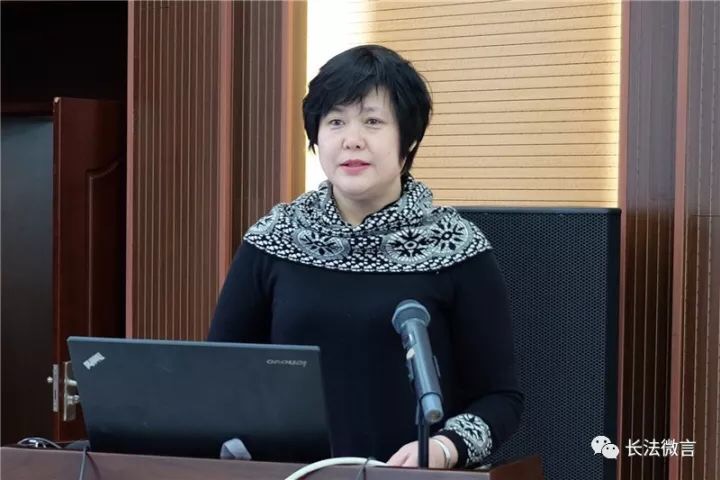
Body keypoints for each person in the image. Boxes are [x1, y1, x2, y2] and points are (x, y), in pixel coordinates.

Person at [208, 44, 523, 469]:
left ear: (408, 139)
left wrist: (446, 447)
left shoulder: (456, 247)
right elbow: (219, 376)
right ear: (316, 137)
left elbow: (500, 397)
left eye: (372, 121)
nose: (351, 139)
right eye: (335, 121)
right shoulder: (273, 240)